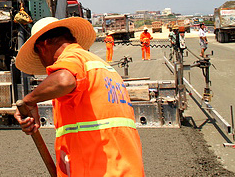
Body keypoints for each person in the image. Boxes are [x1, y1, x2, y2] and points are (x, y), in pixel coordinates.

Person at [14, 17, 144, 177]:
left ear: (43, 46)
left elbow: (64, 80)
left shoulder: (73, 58)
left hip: (97, 170)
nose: (45, 66)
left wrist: (29, 101)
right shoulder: (101, 67)